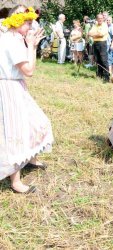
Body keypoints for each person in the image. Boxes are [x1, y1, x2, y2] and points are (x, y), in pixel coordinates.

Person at [0, 5, 54, 193]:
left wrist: (30, 43)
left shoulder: (13, 38)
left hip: (15, 86)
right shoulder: (12, 41)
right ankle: (15, 181)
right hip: (9, 88)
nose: (31, 27)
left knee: (38, 122)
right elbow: (29, 71)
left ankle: (31, 159)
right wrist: (31, 45)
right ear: (16, 20)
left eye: (32, 23)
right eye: (28, 22)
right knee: (14, 133)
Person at [89, 14, 110, 82]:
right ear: (96, 19)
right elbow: (89, 33)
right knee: (98, 60)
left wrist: (94, 35)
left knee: (104, 60)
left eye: (101, 18)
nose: (100, 19)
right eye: (99, 18)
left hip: (102, 44)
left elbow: (101, 35)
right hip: (95, 44)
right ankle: (100, 75)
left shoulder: (105, 25)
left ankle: (106, 77)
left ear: (103, 19)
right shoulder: (95, 25)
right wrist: (96, 34)